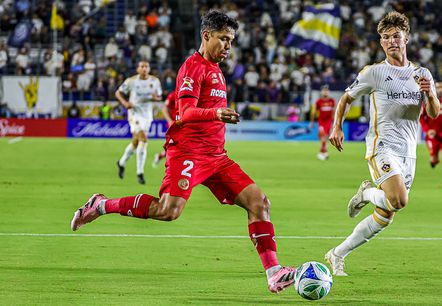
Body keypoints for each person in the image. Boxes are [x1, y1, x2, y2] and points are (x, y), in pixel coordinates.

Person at [70, 10, 296, 293]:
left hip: (216, 157)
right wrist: (216, 113)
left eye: (231, 41)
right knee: (168, 211)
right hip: (188, 152)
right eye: (223, 39)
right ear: (206, 35)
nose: (228, 46)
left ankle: (274, 273)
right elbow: (185, 111)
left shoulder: (216, 71)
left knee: (259, 202)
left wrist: (217, 118)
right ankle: (101, 204)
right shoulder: (193, 67)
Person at [324, 11, 440, 276]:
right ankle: (365, 192)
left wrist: (430, 93)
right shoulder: (374, 72)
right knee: (399, 199)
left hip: (409, 152)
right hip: (382, 146)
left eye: (396, 36)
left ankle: (337, 253)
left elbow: (433, 112)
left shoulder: (422, 74)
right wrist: (336, 126)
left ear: (406, 38)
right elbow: (346, 98)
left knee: (386, 216)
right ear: (380, 42)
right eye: (385, 38)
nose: (391, 42)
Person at [114, 60, 163, 184]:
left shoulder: (155, 81)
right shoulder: (131, 81)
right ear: (138, 69)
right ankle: (140, 173)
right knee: (144, 139)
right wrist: (125, 103)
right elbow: (118, 92)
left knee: (136, 142)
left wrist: (154, 98)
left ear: (149, 68)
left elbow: (159, 97)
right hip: (134, 113)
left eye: (146, 66)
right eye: (142, 66)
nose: (144, 69)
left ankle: (121, 162)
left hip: (147, 115)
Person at [309, 85, 336, 160]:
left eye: (327, 90)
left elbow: (335, 111)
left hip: (329, 121)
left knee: (325, 136)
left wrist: (335, 122)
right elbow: (313, 112)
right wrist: (311, 122)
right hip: (321, 121)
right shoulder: (319, 101)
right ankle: (324, 151)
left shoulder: (332, 101)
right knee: (322, 135)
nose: (325, 92)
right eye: (324, 90)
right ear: (321, 92)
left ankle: (323, 152)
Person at [152, 91, 176, 167]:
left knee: (175, 147)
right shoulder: (173, 95)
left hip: (185, 125)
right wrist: (169, 120)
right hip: (174, 126)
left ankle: (160, 156)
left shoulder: (191, 94)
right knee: (174, 146)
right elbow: (164, 108)